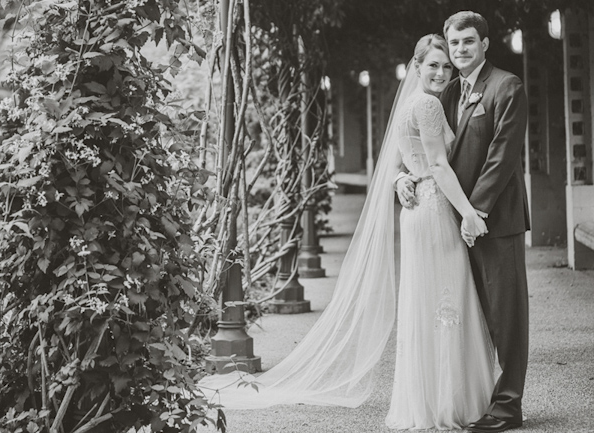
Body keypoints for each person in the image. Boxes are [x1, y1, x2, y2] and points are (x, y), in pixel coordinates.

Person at [201, 33, 497, 430]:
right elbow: (441, 167)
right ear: (417, 67)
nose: (442, 72)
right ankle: (448, 404)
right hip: (435, 210)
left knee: (432, 304)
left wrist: (399, 180)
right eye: (433, 65)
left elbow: (399, 160)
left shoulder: (416, 102)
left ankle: (430, 400)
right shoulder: (426, 103)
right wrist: (470, 214)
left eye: (446, 66)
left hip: (420, 210)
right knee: (446, 304)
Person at [398, 11, 530, 433]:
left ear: (485, 43)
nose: (459, 51)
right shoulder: (446, 90)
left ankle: (508, 407)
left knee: (506, 314)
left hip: (493, 220)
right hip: (449, 222)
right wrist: (404, 177)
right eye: (454, 44)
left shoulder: (506, 86)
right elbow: (425, 151)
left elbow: (502, 158)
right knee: (465, 314)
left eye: (468, 42)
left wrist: (477, 213)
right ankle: (471, 397)